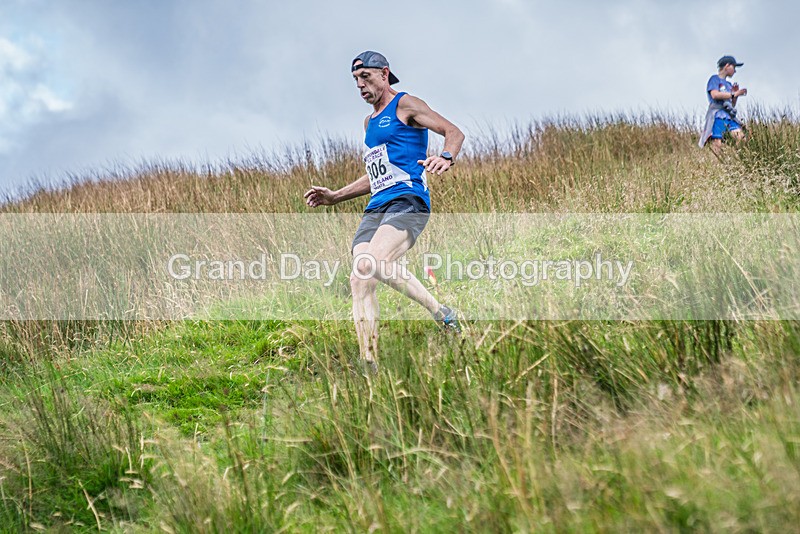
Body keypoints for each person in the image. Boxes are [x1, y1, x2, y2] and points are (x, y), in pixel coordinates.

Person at [304, 51, 465, 373]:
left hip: (408, 200)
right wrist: (337, 196)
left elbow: (453, 132)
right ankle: (369, 362)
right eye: (355, 80)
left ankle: (440, 314)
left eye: (365, 77)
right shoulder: (369, 123)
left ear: (384, 74)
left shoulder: (406, 104)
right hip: (376, 206)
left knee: (371, 263)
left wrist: (446, 157)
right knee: (359, 277)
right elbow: (378, 174)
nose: (361, 85)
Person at [699, 55, 748, 152]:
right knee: (717, 143)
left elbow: (732, 104)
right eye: (734, 67)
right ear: (727, 66)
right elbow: (715, 95)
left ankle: (737, 159)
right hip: (717, 116)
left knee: (741, 138)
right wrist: (733, 94)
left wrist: (735, 95)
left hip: (729, 116)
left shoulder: (729, 85)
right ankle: (715, 165)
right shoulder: (714, 79)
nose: (735, 71)